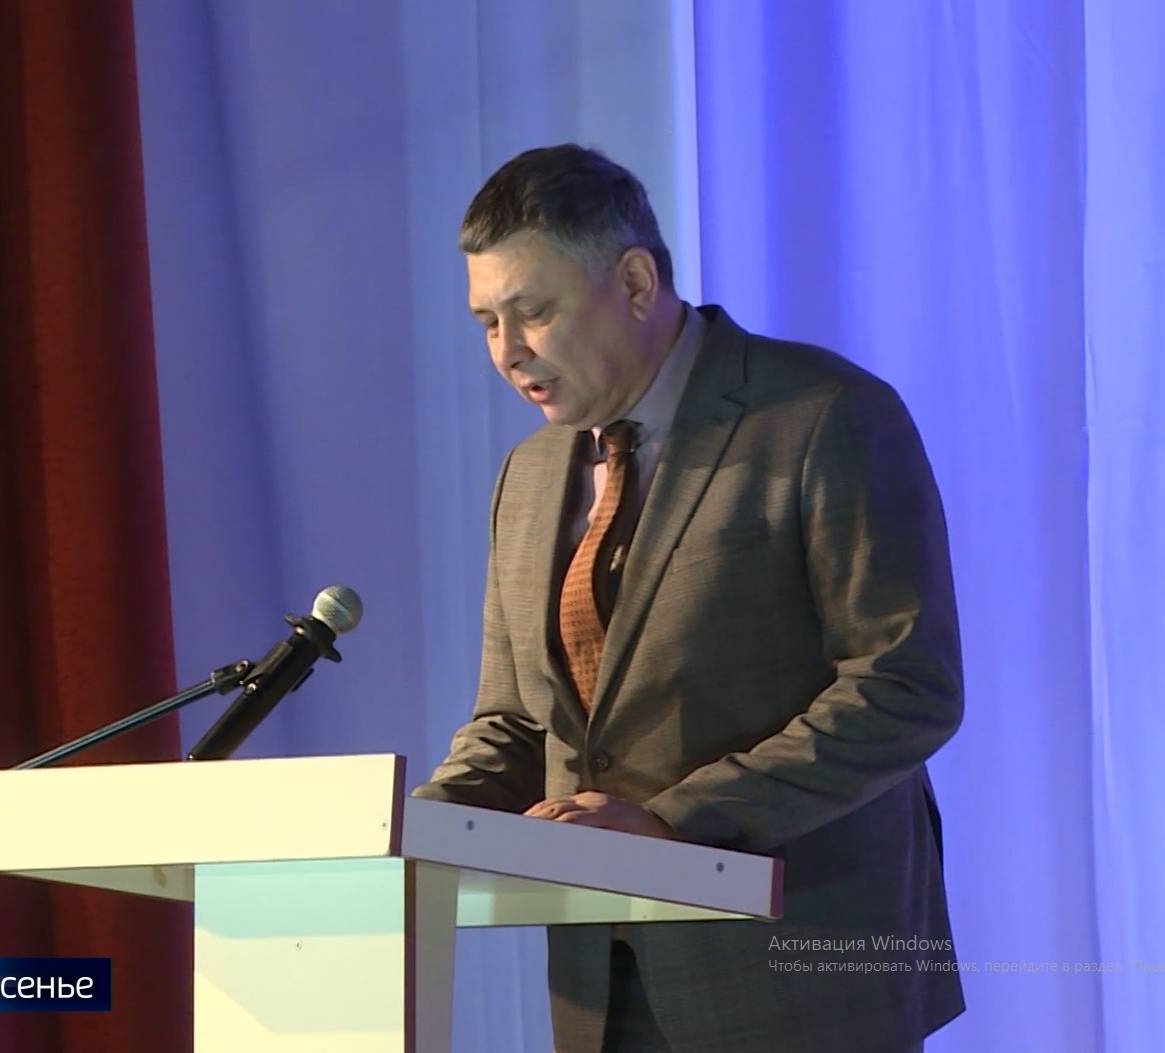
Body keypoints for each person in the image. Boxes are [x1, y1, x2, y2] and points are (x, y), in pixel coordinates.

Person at [412, 144, 964, 1053]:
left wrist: (672, 821)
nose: (507, 352)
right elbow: (516, 723)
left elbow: (903, 685)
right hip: (602, 983)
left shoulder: (821, 413)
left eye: (533, 312)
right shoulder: (529, 473)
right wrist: (410, 833)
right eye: (486, 322)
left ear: (634, 282)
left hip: (800, 973)